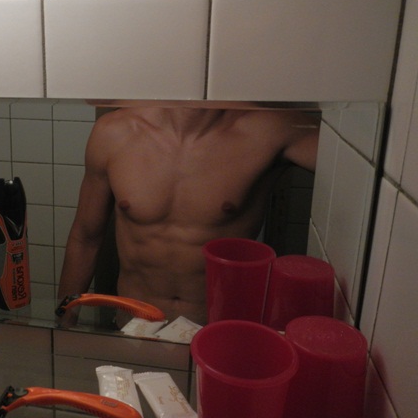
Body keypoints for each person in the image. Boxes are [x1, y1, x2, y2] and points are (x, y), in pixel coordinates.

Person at [57, 104, 320, 327]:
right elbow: (86, 238)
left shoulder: (269, 130)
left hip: (218, 331)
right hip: (135, 326)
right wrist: (63, 322)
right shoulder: (114, 132)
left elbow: (344, 155)